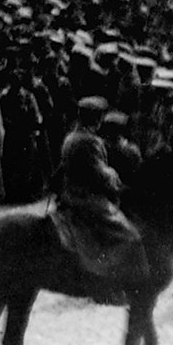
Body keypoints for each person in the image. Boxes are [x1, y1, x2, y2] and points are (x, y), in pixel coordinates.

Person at [51, 97, 145, 282]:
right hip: (87, 198)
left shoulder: (70, 136)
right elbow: (99, 173)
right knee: (130, 235)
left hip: (69, 194)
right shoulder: (90, 141)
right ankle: (110, 278)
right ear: (96, 119)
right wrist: (116, 180)